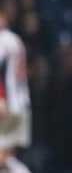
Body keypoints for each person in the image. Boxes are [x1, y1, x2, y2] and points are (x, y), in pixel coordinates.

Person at [0, 13, 32, 173]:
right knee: (10, 157)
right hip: (22, 102)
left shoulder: (3, 40)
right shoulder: (16, 40)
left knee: (5, 158)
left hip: (7, 103)